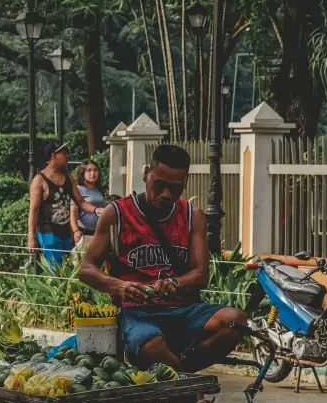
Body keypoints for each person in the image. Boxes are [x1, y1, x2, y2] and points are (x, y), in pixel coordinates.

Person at [79, 143, 247, 374]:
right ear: (147, 173)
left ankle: (181, 375)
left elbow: (201, 275)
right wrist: (119, 286)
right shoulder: (116, 213)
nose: (166, 194)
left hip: (183, 310)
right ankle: (186, 383)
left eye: (175, 188)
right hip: (138, 313)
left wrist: (175, 283)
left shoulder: (193, 216)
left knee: (235, 322)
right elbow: (86, 269)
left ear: (186, 182)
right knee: (152, 345)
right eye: (160, 184)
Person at [28, 142, 105, 267]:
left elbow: (80, 201)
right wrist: (31, 236)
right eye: (64, 153)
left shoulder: (68, 177)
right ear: (54, 155)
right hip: (48, 233)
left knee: (67, 269)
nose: (67, 155)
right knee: (56, 270)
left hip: (65, 232)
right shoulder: (39, 180)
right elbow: (34, 209)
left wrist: (96, 210)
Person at [70, 159, 107, 246]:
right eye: (89, 170)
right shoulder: (78, 189)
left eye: (95, 170)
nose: (93, 173)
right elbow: (73, 211)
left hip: (99, 232)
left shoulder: (99, 190)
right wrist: (76, 231)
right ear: (82, 173)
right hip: (84, 232)